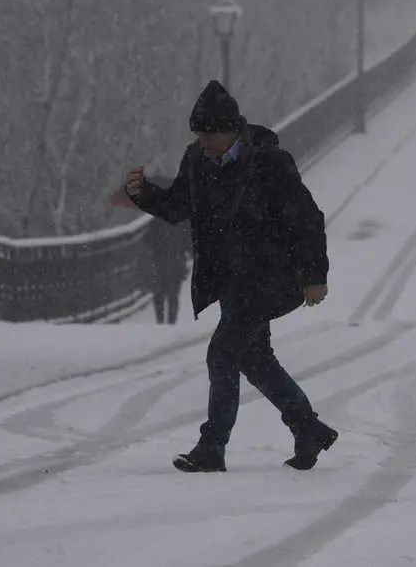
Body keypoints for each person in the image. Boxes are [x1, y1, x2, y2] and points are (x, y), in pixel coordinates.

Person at [124, 80, 336, 473]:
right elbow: (178, 206)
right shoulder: (197, 160)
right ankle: (307, 428)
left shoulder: (270, 162)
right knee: (255, 359)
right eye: (198, 135)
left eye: (209, 135)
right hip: (230, 279)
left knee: (222, 355)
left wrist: (314, 275)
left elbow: (307, 219)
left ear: (231, 130)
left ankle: (212, 448)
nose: (202, 143)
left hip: (270, 278)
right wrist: (143, 194)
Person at [141, 184, 191, 325]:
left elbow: (148, 240)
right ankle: (171, 322)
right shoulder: (182, 220)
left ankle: (161, 322)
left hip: (160, 263)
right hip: (176, 262)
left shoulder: (156, 220)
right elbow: (188, 242)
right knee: (173, 295)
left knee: (159, 293)